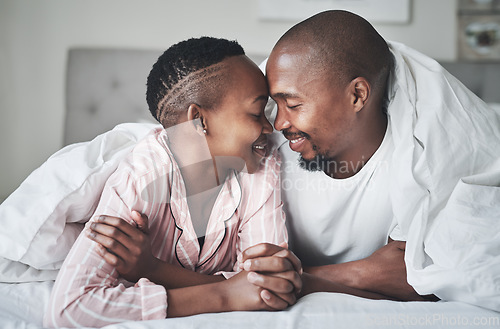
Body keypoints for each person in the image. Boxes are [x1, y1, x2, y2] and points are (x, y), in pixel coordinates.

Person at [239, 10, 500, 311]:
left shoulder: (424, 149)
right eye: (276, 104)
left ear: (358, 94)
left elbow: (418, 277)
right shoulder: (265, 135)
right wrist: (361, 273)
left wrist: (300, 278)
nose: (280, 122)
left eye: (294, 105)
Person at [44, 36, 302, 328]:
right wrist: (225, 295)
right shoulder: (138, 180)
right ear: (199, 121)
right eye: (257, 113)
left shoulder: (262, 162)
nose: (270, 128)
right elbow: (69, 309)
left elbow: (269, 286)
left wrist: (153, 270)